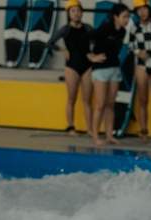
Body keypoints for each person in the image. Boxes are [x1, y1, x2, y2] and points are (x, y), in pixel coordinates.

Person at [87, 4, 131, 145]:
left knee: (111, 104)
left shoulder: (122, 32)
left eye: (128, 17)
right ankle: (95, 136)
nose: (127, 19)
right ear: (115, 17)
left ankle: (109, 135)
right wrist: (91, 56)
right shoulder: (105, 28)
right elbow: (85, 39)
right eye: (124, 17)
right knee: (100, 104)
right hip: (100, 70)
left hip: (114, 69)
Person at [48, 0, 93, 134]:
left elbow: (98, 40)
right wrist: (62, 49)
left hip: (87, 67)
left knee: (87, 100)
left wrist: (94, 54)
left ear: (82, 12)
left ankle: (90, 128)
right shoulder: (65, 29)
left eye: (78, 11)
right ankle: (71, 126)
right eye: (73, 11)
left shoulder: (88, 28)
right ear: (68, 14)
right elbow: (49, 43)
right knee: (71, 98)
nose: (76, 14)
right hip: (71, 67)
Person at [128, 0, 151, 141]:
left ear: (149, 9)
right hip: (141, 66)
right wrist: (138, 51)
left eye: (144, 9)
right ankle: (143, 130)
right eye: (139, 9)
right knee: (143, 100)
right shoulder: (134, 26)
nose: (142, 12)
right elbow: (129, 44)